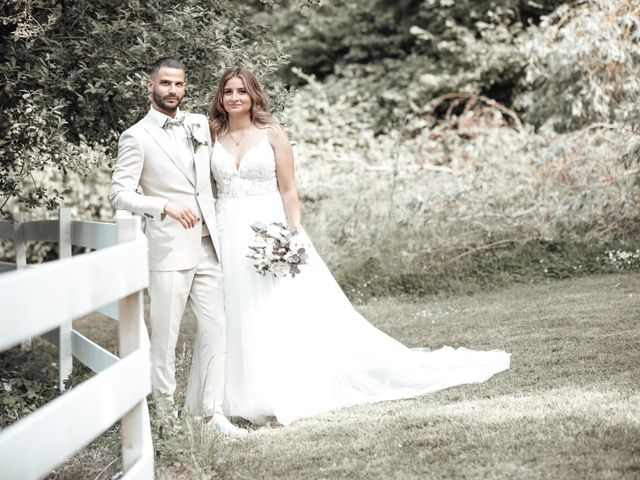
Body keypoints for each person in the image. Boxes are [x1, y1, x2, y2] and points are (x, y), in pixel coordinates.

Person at [185, 67, 510, 426]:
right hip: (227, 232)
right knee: (231, 310)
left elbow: (289, 190)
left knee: (273, 308)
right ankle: (226, 397)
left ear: (253, 96)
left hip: (269, 231)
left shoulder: (272, 134)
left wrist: (291, 236)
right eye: (228, 91)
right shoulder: (212, 135)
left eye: (241, 91)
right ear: (220, 97)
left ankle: (279, 389)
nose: (234, 98)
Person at [110, 58, 246, 436]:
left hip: (208, 245)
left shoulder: (199, 124)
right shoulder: (135, 137)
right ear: (149, 86)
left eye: (180, 84)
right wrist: (161, 206)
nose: (173, 90)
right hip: (169, 248)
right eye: (166, 83)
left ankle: (211, 414)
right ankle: (165, 418)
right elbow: (119, 194)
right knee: (165, 337)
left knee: (217, 328)